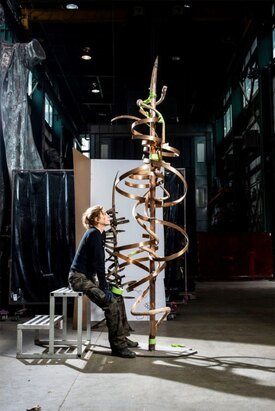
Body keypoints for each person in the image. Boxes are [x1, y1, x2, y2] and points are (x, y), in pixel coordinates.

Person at [68, 205, 138, 358]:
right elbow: (99, 264)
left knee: (117, 296)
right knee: (110, 303)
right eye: (104, 214)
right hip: (78, 279)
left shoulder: (100, 233)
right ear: (96, 219)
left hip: (89, 278)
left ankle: (123, 338)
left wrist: (106, 287)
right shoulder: (93, 234)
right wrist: (104, 287)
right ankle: (118, 347)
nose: (107, 215)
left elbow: (97, 264)